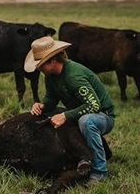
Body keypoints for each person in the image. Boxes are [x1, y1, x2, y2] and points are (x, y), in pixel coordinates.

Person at [24, 36, 115, 183]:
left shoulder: (74, 76)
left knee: (87, 122)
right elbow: (51, 100)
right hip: (79, 110)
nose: (39, 68)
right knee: (44, 114)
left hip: (102, 116)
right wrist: (42, 106)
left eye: (41, 64)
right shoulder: (51, 76)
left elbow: (94, 106)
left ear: (53, 60)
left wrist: (65, 116)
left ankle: (99, 172)